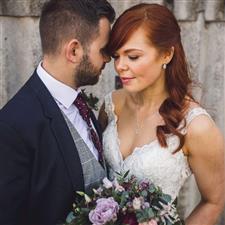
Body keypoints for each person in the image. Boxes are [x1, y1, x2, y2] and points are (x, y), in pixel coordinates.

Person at [99, 3, 225, 225]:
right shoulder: (110, 105)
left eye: (133, 56)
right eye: (116, 55)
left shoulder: (197, 126)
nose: (120, 66)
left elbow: (214, 201)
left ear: (166, 54)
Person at [0, 0, 115, 224]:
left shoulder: (80, 103)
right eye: (103, 50)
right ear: (74, 51)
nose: (108, 59)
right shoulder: (12, 127)